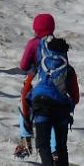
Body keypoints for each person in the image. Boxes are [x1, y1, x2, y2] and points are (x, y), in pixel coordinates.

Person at [26, 37, 79, 166]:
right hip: (61, 109)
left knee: (43, 144)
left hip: (40, 105)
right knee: (61, 146)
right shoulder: (69, 70)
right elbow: (75, 97)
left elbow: (27, 86)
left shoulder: (40, 64)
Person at [15, 13, 56, 159]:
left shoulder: (34, 43)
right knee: (51, 116)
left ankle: (26, 140)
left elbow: (23, 65)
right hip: (56, 88)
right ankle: (55, 149)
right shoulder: (58, 44)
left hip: (37, 85)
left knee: (25, 104)